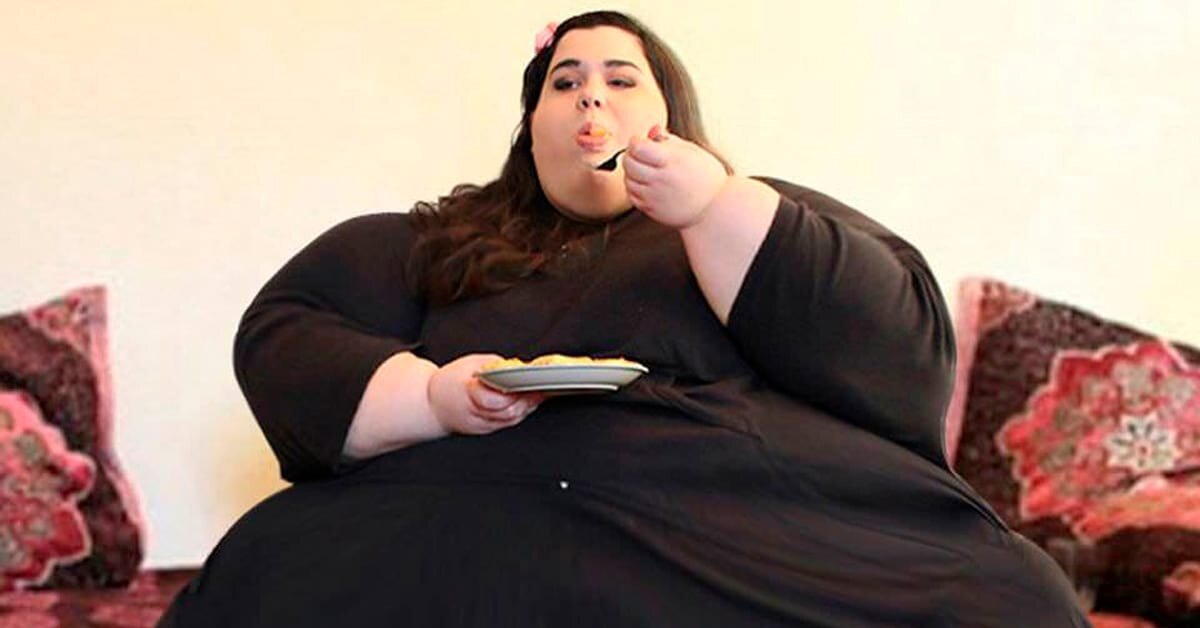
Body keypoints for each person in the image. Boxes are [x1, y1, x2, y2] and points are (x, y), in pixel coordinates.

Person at [160, 10, 1090, 627]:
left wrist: (715, 207)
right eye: (564, 83)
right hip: (468, 514)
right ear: (531, 126)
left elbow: (901, 352)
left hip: (725, 517)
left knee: (1006, 593)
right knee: (262, 570)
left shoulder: (748, 209)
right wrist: (434, 397)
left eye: (619, 79)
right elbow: (288, 326)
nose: (591, 98)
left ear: (670, 115)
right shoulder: (432, 241)